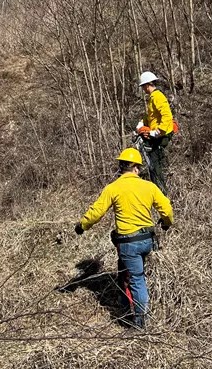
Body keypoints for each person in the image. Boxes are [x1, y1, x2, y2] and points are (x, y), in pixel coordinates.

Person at [74, 148, 174, 329]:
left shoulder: (113, 188)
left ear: (122, 167)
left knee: (136, 278)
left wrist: (82, 226)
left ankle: (139, 321)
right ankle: (125, 302)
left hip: (128, 243)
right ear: (136, 168)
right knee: (127, 271)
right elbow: (166, 209)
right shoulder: (149, 187)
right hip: (147, 239)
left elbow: (96, 212)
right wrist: (166, 223)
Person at [135, 71, 175, 195]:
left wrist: (158, 132)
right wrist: (143, 123)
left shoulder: (157, 97)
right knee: (153, 160)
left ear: (147, 85)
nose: (143, 90)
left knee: (154, 163)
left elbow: (166, 116)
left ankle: (161, 192)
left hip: (161, 135)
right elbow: (152, 116)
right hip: (158, 134)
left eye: (143, 87)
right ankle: (159, 188)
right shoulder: (153, 98)